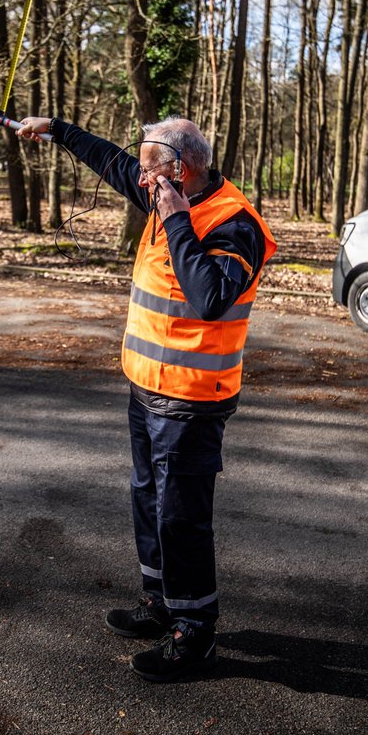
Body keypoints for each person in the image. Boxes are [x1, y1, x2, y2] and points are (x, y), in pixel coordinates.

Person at [17, 114, 277, 682]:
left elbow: (210, 298)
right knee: (148, 500)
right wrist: (58, 129)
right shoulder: (160, 191)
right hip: (146, 388)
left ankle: (195, 632)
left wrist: (177, 220)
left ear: (179, 172)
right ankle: (160, 602)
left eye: (150, 169)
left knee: (182, 518)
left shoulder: (236, 224)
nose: (139, 177)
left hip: (191, 400)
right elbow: (111, 162)